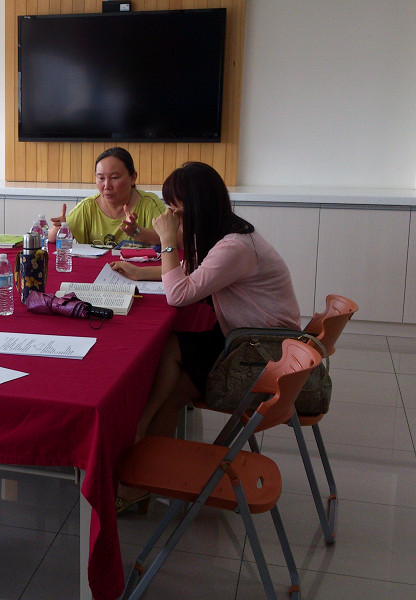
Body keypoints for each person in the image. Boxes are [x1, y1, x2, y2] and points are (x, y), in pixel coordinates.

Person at [108, 162, 300, 511]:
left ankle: (141, 453)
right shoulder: (221, 236)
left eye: (177, 213)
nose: (172, 219)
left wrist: (167, 240)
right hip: (246, 340)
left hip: (263, 354)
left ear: (198, 210)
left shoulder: (234, 247)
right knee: (170, 348)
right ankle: (143, 438)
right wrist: (140, 265)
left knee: (171, 378)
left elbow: (178, 293)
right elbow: (188, 273)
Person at [47, 147, 168, 247]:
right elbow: (52, 238)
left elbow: (173, 238)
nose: (107, 186)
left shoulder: (149, 203)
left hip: (138, 269)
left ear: (133, 178)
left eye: (114, 178)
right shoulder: (88, 206)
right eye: (101, 178)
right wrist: (60, 227)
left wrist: (137, 231)